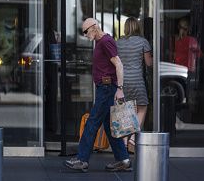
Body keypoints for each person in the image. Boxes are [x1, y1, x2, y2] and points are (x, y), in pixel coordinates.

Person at [64, 18, 131, 173]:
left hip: (107, 89)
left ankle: (82, 159)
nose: (85, 35)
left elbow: (119, 64)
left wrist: (120, 88)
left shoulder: (106, 41)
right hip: (105, 88)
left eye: (86, 31)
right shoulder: (100, 42)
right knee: (108, 126)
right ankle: (123, 160)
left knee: (92, 122)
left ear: (94, 28)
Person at [116, 17, 153, 153]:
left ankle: (124, 141)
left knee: (126, 110)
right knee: (142, 108)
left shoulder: (118, 43)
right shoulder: (143, 42)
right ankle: (132, 139)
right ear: (138, 27)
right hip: (137, 80)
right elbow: (149, 63)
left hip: (123, 81)